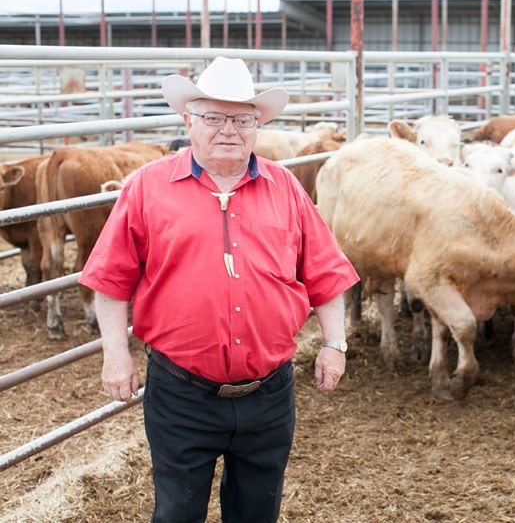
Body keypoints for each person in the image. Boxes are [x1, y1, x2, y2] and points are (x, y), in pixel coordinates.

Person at [79, 56, 359, 523]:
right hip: (181, 392)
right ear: (189, 121)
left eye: (242, 118)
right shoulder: (147, 187)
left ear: (257, 124)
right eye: (213, 117)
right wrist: (115, 354)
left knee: (257, 510)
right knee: (177, 512)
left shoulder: (285, 186)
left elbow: (325, 271)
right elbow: (110, 278)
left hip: (269, 392)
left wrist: (335, 343)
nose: (228, 129)